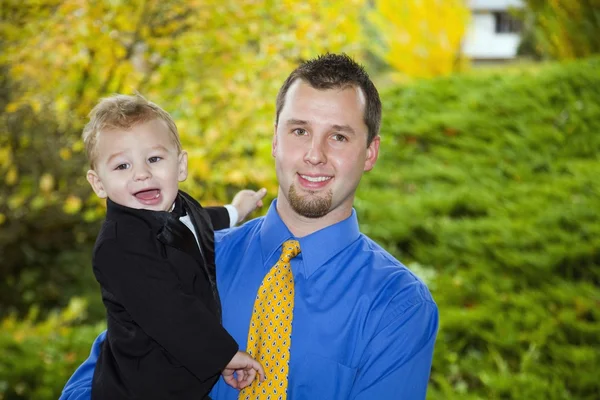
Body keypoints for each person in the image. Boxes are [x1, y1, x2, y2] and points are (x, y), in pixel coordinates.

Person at [61, 53, 439, 400]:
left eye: (338, 136)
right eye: (299, 131)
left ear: (370, 152)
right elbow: (95, 382)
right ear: (275, 139)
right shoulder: (183, 252)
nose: (314, 155)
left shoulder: (399, 305)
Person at [78, 94, 266, 400]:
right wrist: (225, 355)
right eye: (122, 165)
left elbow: (200, 221)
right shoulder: (118, 246)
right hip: (143, 385)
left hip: (183, 374)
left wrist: (235, 211)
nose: (141, 173)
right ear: (98, 183)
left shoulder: (179, 204)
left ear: (180, 166)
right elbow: (170, 311)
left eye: (154, 159)